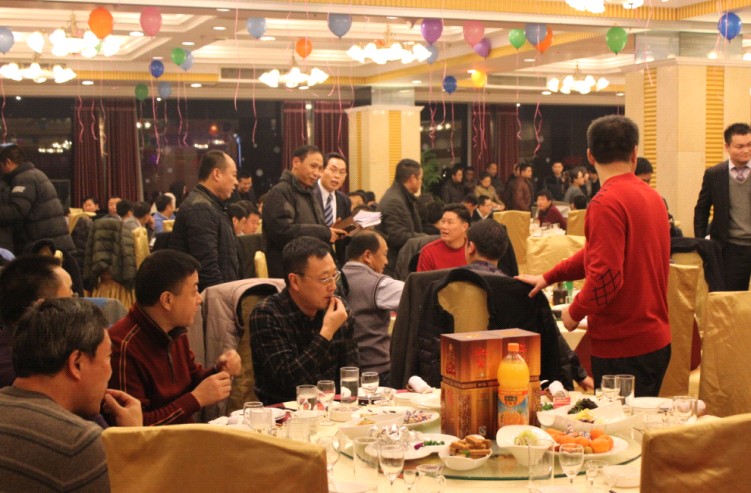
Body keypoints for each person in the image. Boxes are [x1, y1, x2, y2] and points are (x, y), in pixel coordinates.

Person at [517, 115, 671, 397]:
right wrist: (548, 277)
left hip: (623, 346)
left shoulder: (605, 202)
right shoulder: (653, 197)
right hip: (654, 339)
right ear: (634, 152)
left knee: (620, 423)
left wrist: (574, 312)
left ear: (590, 156)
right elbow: (596, 254)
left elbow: (607, 277)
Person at [0, 297, 142, 491]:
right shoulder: (77, 442)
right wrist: (133, 441)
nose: (110, 371)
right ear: (77, 364)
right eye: (108, 357)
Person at [109, 250, 241, 425]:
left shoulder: (174, 331)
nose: (199, 299)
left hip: (184, 436)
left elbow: (191, 381)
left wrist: (219, 371)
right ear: (167, 300)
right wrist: (196, 399)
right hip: (160, 442)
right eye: (194, 291)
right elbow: (135, 427)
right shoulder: (123, 346)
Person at [250, 237, 359, 404]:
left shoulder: (338, 309)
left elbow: (350, 374)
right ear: (295, 281)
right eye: (324, 279)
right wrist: (326, 333)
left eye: (334, 276)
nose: (333, 286)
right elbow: (289, 384)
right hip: (282, 412)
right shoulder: (267, 315)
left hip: (333, 409)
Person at [263, 145, 346, 278]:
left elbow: (310, 230)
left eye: (320, 168)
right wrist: (323, 232)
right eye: (313, 166)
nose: (317, 173)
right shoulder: (280, 192)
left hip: (311, 269)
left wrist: (329, 234)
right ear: (296, 162)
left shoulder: (309, 193)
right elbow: (283, 232)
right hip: (291, 272)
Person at [170, 150, 239, 292]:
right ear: (217, 174)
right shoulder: (200, 208)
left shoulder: (211, 205)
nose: (236, 182)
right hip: (208, 298)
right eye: (233, 175)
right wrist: (223, 299)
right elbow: (207, 270)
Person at [0, 255, 74, 387]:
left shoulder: (51, 347)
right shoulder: (16, 374)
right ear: (42, 307)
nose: (77, 305)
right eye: (71, 298)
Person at [342, 230, 404, 385]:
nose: (386, 261)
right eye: (384, 254)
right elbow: (415, 294)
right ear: (368, 256)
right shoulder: (380, 284)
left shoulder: (335, 279)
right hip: (377, 371)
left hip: (343, 371)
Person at [695, 122, 751, 291]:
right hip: (730, 248)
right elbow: (702, 210)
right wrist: (701, 243)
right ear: (727, 147)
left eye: (749, 145)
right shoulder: (715, 174)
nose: (746, 150)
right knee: (731, 298)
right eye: (740, 146)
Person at [0, 143, 75, 255]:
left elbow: (17, 210)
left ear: (8, 162)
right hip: (52, 242)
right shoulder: (33, 174)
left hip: (46, 247)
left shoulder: (24, 178)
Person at [376, 159, 426, 275]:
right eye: (420, 179)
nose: (421, 182)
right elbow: (397, 236)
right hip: (393, 265)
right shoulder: (394, 201)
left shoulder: (401, 197)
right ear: (412, 179)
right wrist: (426, 238)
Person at [314, 152, 352, 267]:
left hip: (335, 261)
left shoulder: (344, 200)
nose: (337, 176)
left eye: (342, 172)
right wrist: (327, 232)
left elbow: (346, 238)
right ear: (321, 170)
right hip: (312, 256)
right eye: (333, 170)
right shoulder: (309, 194)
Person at [417, 203, 470, 272]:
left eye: (450, 222)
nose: (443, 226)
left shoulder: (474, 251)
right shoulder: (428, 252)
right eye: (443, 221)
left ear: (464, 227)